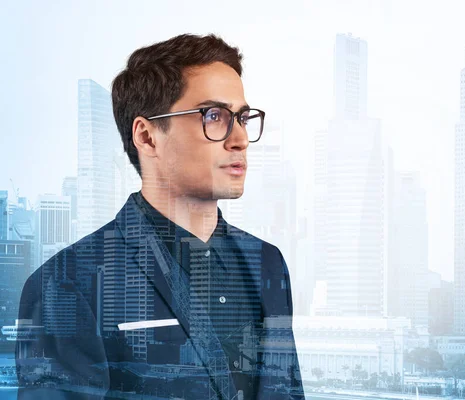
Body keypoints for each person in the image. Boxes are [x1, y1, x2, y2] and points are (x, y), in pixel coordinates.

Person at [16, 33, 305, 400]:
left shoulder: (267, 262)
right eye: (214, 116)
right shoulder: (67, 283)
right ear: (148, 136)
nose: (241, 139)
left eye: (243, 117)